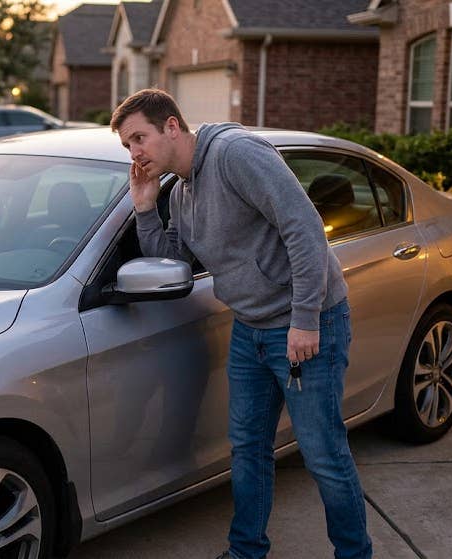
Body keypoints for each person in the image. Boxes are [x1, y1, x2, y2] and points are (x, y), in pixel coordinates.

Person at [111, 88, 372, 559]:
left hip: (306, 325)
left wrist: (305, 319)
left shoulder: (235, 154)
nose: (136, 153)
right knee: (248, 450)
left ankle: (355, 554)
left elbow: (304, 227)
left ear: (172, 125)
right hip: (251, 330)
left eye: (139, 138)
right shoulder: (183, 194)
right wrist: (145, 206)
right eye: (128, 146)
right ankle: (246, 550)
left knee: (324, 455)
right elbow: (172, 262)